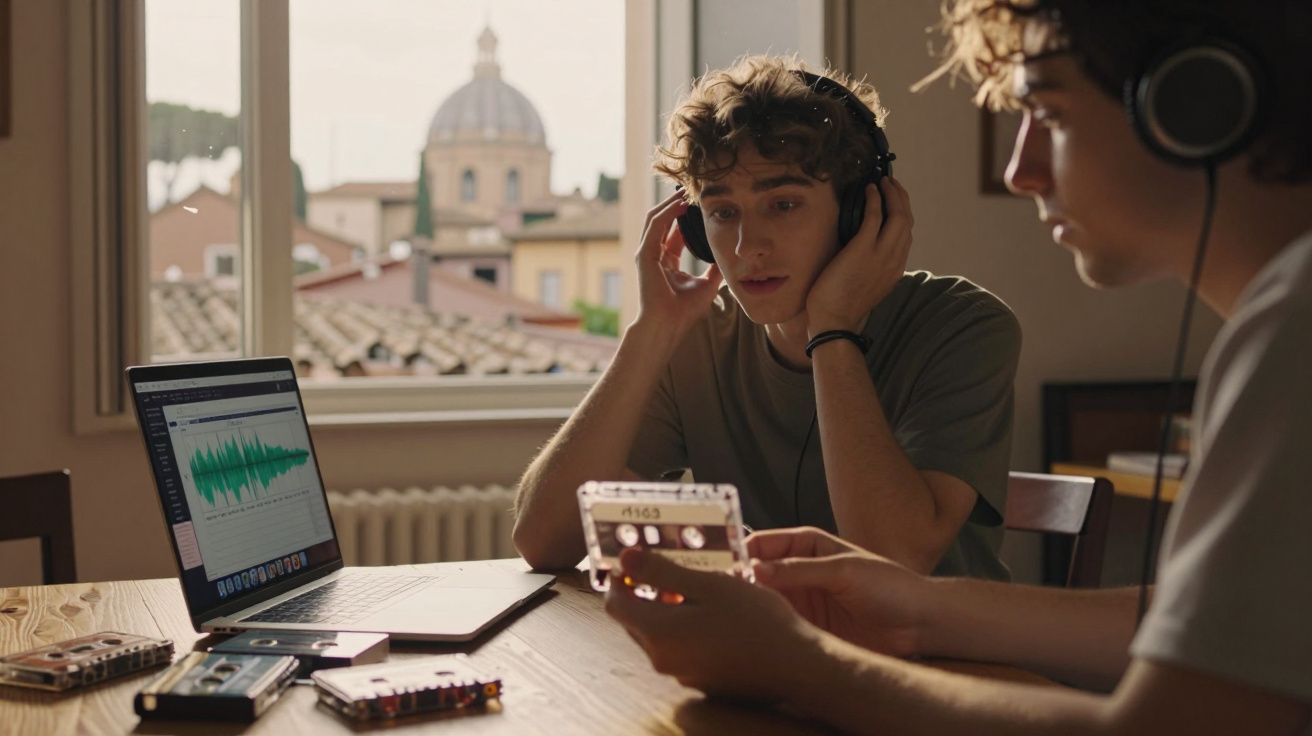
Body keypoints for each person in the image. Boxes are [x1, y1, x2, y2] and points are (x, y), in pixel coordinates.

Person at [604, 2, 1312, 733]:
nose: (1018, 170)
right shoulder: (1287, 311)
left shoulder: (1296, 327)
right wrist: (916, 606)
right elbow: (1228, 636)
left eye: (1050, 114)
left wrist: (798, 664)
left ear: (1198, 103)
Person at [512, 54, 1021, 579]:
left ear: (859, 213)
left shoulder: (965, 328)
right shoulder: (697, 341)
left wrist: (833, 330)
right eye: (722, 212)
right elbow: (543, 540)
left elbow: (896, 561)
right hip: (761, 630)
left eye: (783, 205)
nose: (745, 246)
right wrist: (651, 332)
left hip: (931, 636)